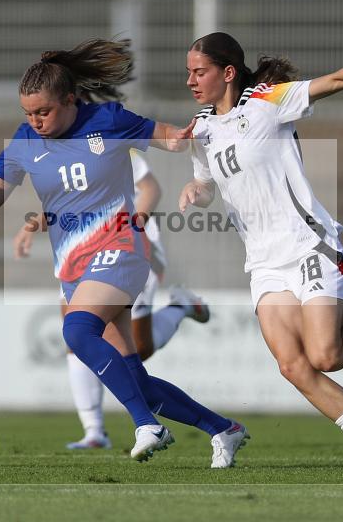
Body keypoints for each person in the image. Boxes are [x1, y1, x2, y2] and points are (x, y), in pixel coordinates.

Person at [0, 39, 247, 466]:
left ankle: (148, 426)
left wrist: (208, 125)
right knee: (134, 377)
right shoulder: (25, 140)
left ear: (70, 100)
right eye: (28, 114)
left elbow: (174, 140)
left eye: (44, 112)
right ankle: (224, 429)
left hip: (121, 248)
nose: (36, 121)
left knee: (76, 332)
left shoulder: (108, 119)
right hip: (73, 266)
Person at [177, 32, 343, 472]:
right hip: (263, 262)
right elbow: (208, 183)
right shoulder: (202, 128)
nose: (190, 79)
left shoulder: (266, 102)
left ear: (227, 73)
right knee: (293, 366)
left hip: (308, 244)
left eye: (199, 71)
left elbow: (334, 82)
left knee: (327, 357)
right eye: (188, 71)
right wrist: (196, 189)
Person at [15, 150, 211, 451]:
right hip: (79, 252)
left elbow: (150, 188)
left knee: (137, 351)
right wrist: (34, 223)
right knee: (77, 335)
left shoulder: (110, 143)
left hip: (125, 249)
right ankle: (94, 432)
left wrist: (131, 226)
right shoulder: (56, 153)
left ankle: (179, 306)